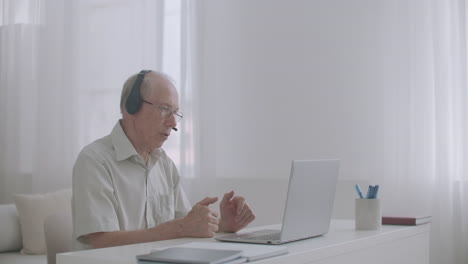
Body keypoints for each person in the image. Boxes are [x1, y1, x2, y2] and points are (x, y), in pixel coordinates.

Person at [72, 70, 255, 250]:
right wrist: (179, 228)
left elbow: (185, 227)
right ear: (131, 106)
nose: (174, 123)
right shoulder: (95, 161)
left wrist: (223, 226)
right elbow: (101, 242)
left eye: (176, 113)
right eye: (165, 109)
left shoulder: (164, 163)